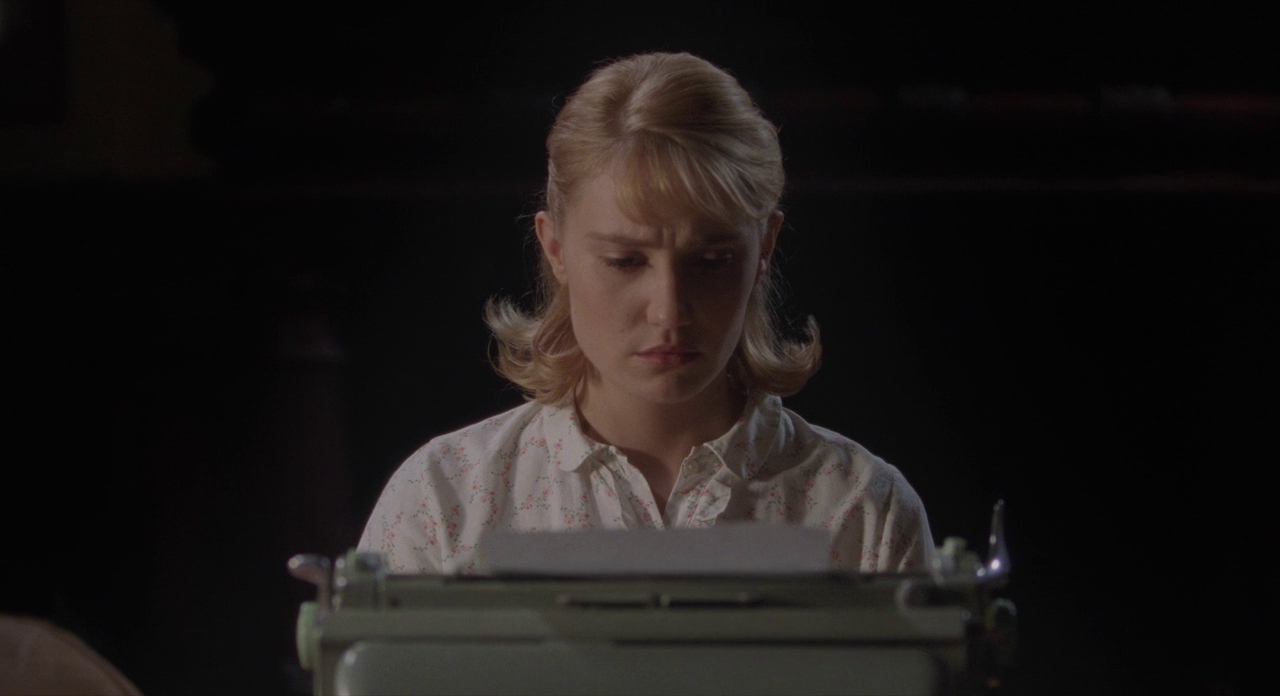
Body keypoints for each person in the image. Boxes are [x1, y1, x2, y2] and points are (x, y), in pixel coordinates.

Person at [358, 52, 935, 574]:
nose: (668, 311)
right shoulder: (444, 500)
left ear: (765, 249)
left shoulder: (861, 509)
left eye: (711, 261)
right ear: (555, 247)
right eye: (624, 261)